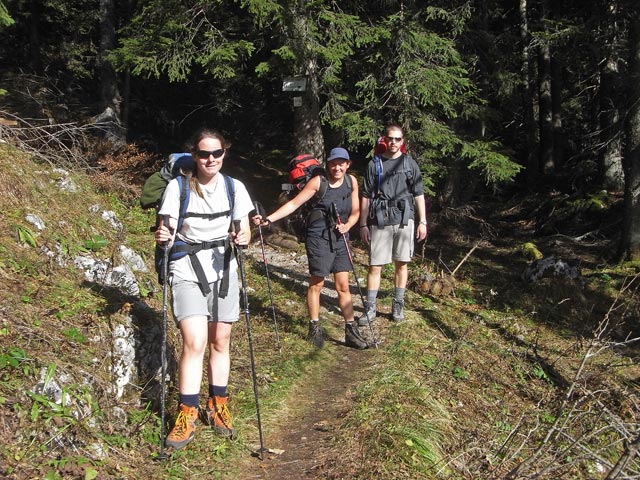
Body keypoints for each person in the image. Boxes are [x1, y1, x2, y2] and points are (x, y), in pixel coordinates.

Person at [155, 128, 253, 450]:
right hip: (186, 268)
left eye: (217, 153)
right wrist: (163, 235)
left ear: (224, 153)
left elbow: (245, 228)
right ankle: (187, 412)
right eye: (204, 153)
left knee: (220, 340)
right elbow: (167, 227)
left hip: (224, 269)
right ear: (194, 156)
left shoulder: (234, 187)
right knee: (195, 341)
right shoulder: (178, 187)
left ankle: (218, 403)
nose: (211, 159)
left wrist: (244, 237)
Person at [253, 147, 369, 350]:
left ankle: (351, 330)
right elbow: (295, 204)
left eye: (341, 163)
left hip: (341, 237)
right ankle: (314, 326)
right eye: (333, 163)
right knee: (317, 283)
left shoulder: (352, 182)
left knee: (343, 286)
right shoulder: (318, 182)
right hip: (318, 238)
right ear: (328, 164)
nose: (337, 167)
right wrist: (269, 219)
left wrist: (348, 226)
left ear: (348, 164)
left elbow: (356, 211)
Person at [358, 124, 427, 324]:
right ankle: (370, 308)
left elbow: (418, 194)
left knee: (401, 264)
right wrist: (363, 224)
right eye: (391, 138)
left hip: (405, 219)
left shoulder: (409, 164)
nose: (394, 142)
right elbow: (365, 196)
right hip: (380, 219)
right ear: (384, 140)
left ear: (402, 141)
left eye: (398, 139)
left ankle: (398, 305)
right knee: (375, 265)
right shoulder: (375, 164)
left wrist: (422, 222)